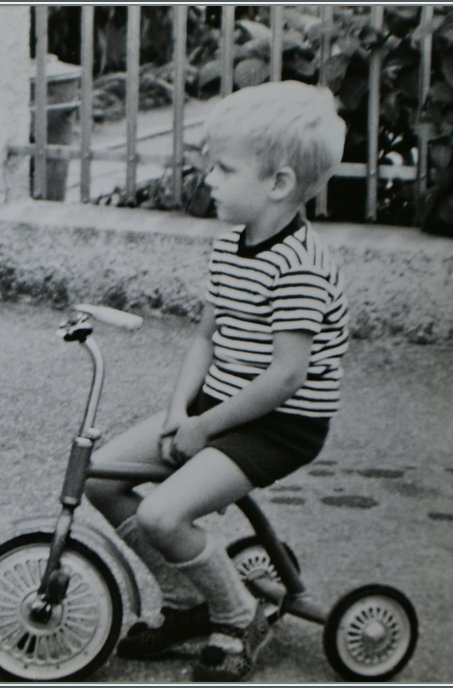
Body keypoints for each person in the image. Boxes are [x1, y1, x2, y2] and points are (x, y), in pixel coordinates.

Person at [85, 80, 349, 682]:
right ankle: (187, 601)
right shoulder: (231, 245)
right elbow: (206, 336)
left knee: (161, 517)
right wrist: (181, 409)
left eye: (225, 168)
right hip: (216, 407)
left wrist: (203, 428)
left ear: (278, 184)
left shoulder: (301, 268)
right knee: (102, 477)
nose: (208, 178)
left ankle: (236, 613)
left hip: (278, 426)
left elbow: (285, 379)